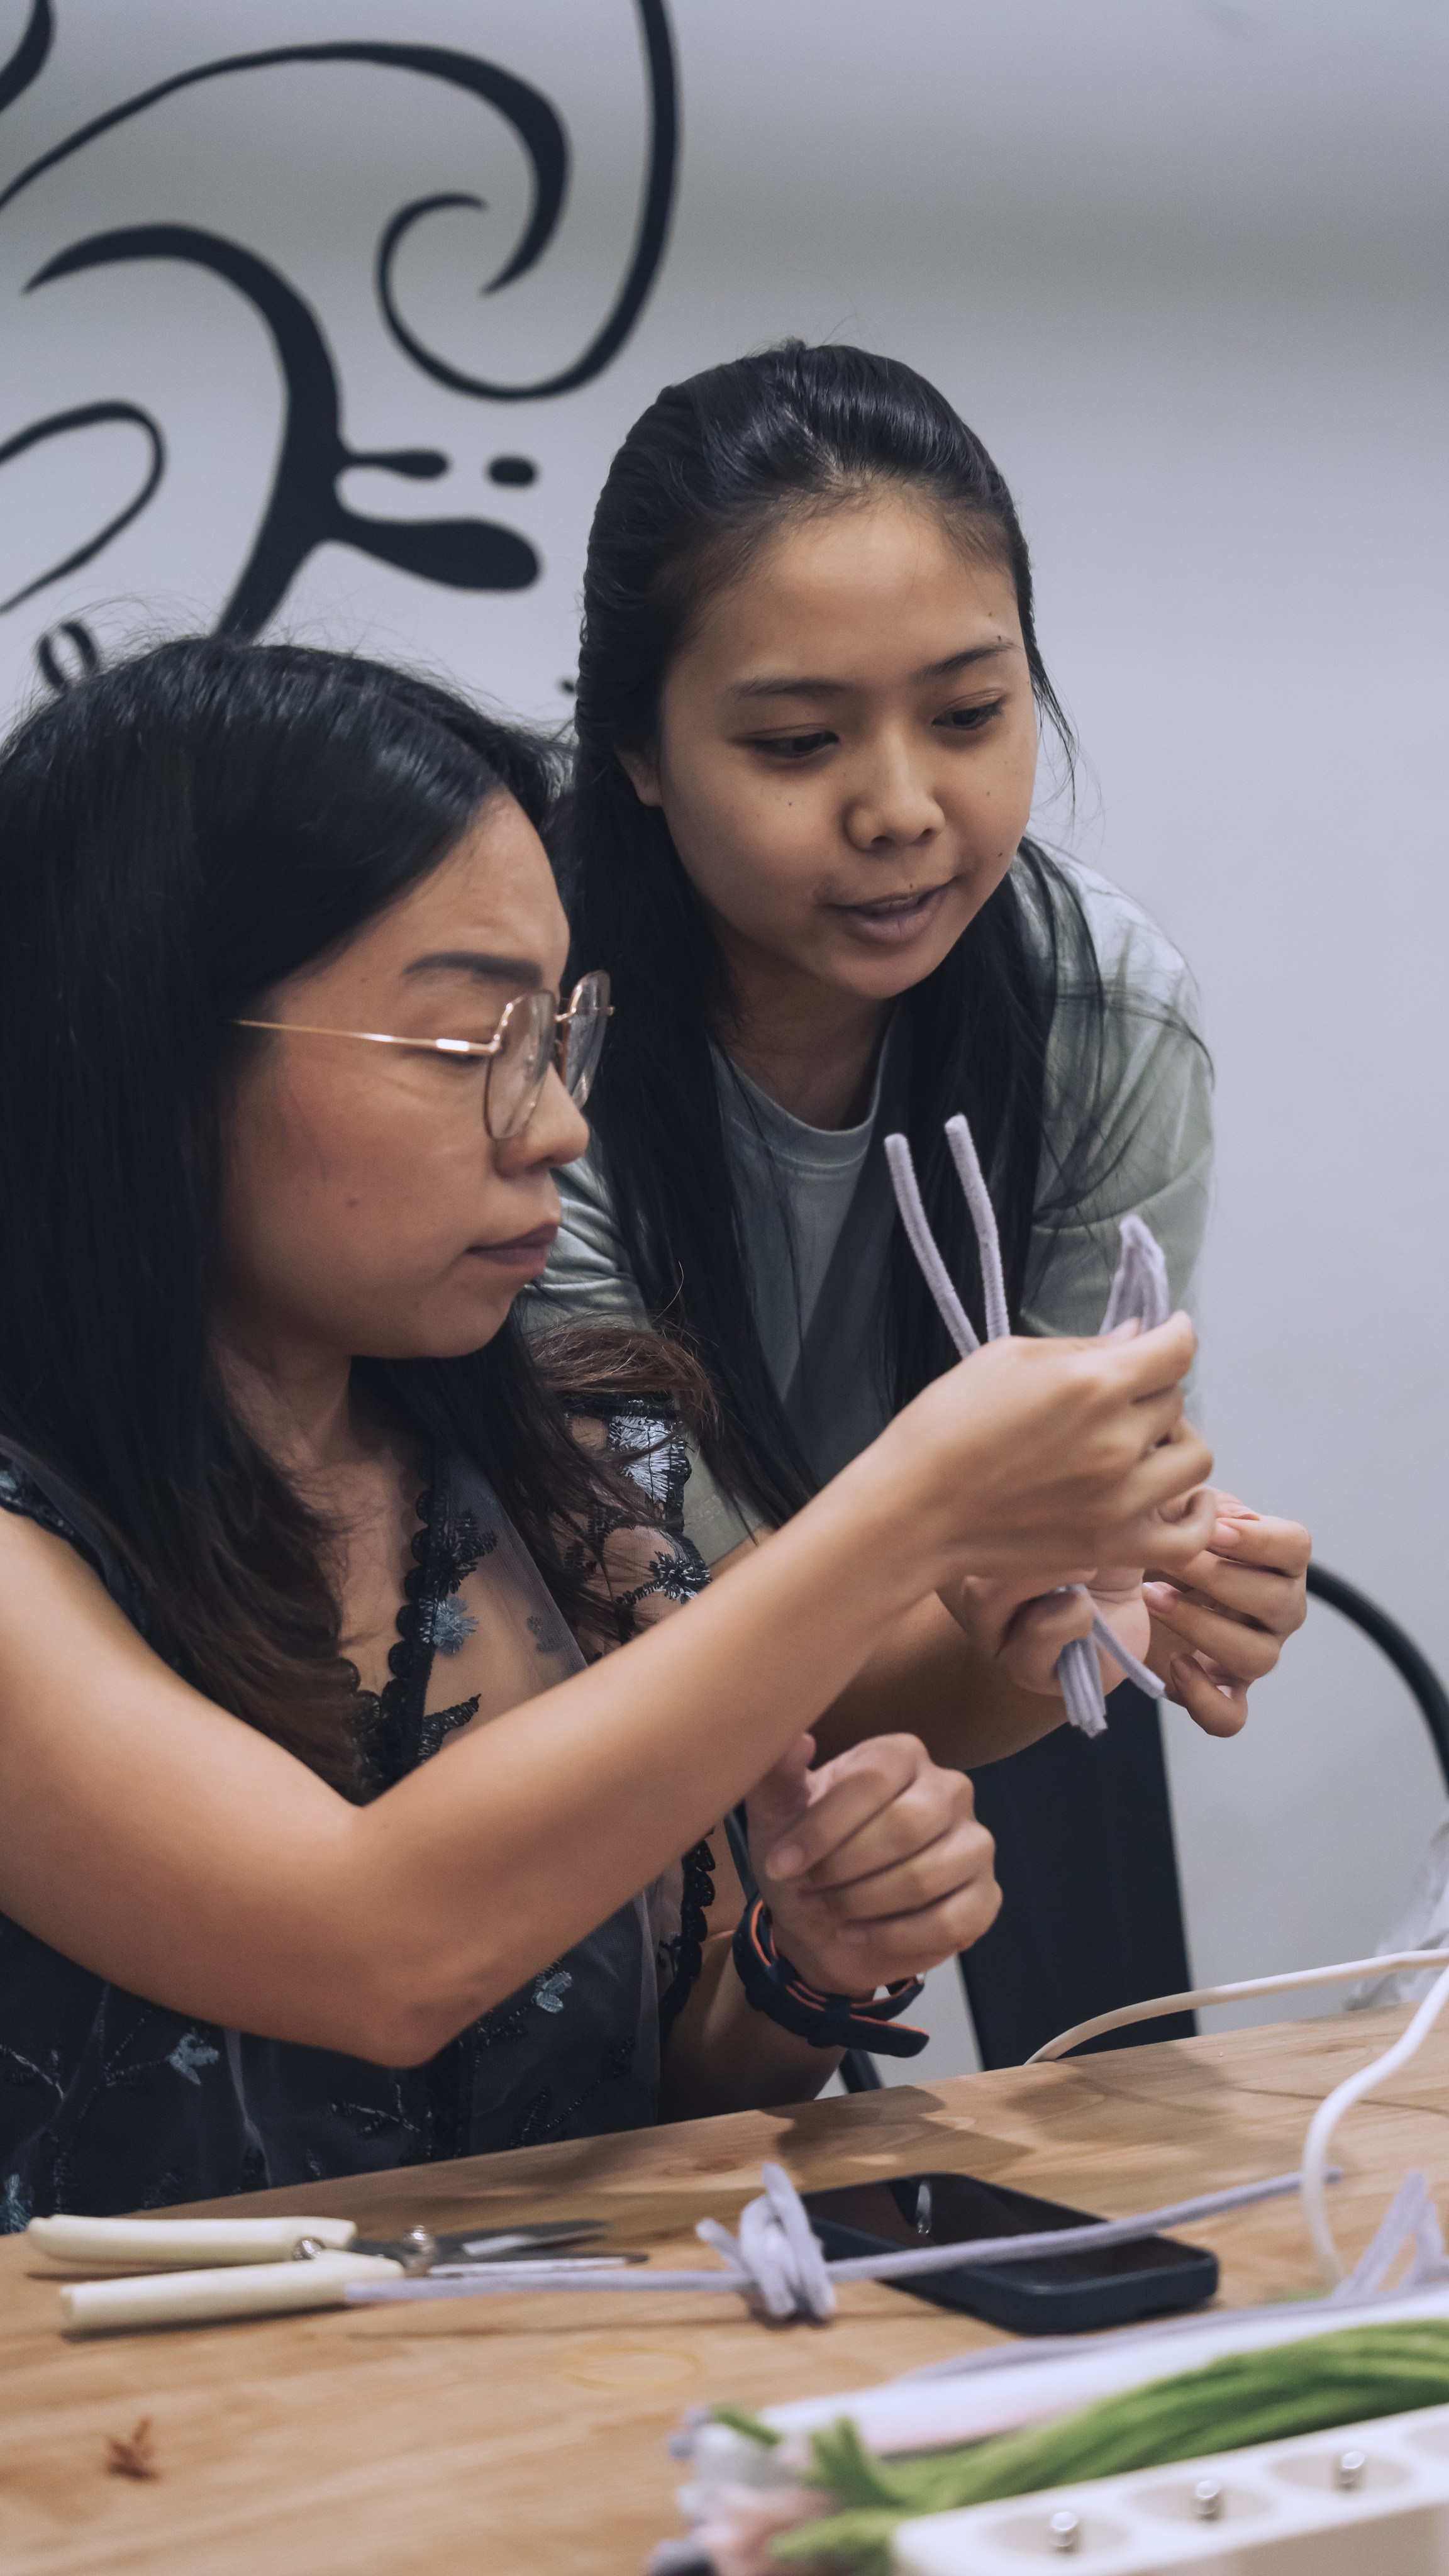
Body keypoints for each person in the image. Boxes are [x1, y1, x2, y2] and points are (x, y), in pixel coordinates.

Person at [0, 637, 1215, 2222]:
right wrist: (911, 1512)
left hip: (541, 2415)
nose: (558, 1123)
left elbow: (633, 2105)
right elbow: (381, 1948)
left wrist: (801, 1968)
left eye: (556, 1036)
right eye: (466, 1047)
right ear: (147, 1059)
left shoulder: (568, 1478)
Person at [538, 341, 1311, 2062]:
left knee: (1083, 2189)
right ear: (638, 753)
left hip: (900, 1736)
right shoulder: (532, 1040)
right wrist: (1015, 1587)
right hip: (554, 1757)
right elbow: (646, 1650)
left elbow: (1064, 1575)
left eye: (972, 712)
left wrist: (1136, 1601)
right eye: (799, 740)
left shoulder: (1099, 1012)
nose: (903, 808)